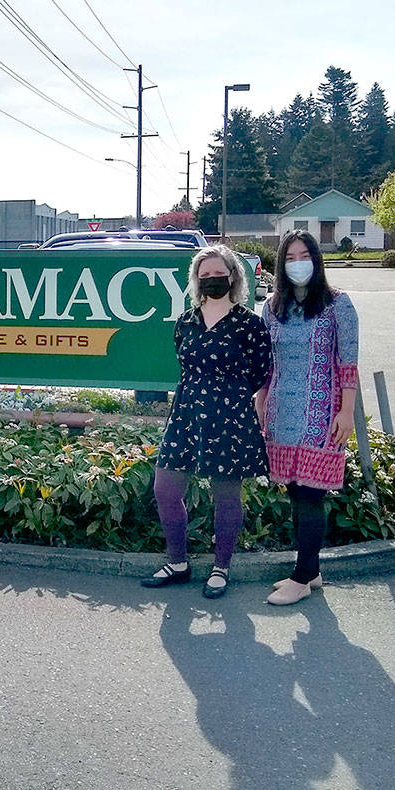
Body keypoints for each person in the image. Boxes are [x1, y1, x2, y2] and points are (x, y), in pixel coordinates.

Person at [141, 244, 271, 598]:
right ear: (196, 281)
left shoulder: (250, 324)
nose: (213, 280)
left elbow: (260, 372)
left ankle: (220, 567)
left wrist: (227, 395)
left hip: (229, 418)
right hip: (185, 414)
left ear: (233, 277)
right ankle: (178, 562)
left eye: (219, 274)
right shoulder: (186, 322)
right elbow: (184, 364)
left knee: (225, 495)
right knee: (166, 489)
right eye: (205, 276)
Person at [256, 230, 359, 605]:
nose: (298, 263)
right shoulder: (271, 307)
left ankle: (301, 578)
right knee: (294, 490)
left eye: (305, 255)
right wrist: (262, 399)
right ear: (281, 264)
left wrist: (346, 412)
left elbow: (348, 362)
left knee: (311, 494)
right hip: (282, 412)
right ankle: (310, 570)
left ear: (316, 260)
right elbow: (267, 362)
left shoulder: (337, 305)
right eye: (290, 257)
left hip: (321, 412)